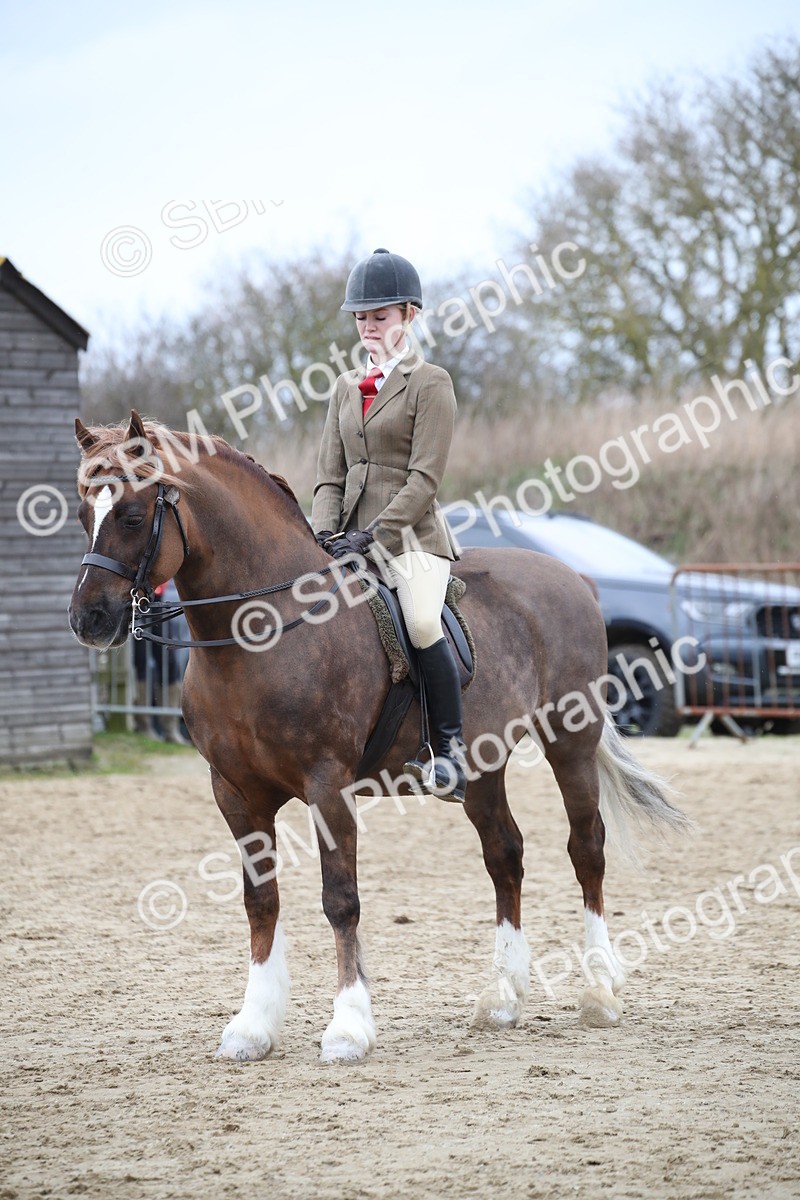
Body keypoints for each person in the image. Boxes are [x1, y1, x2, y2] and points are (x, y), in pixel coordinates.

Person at [311, 248, 467, 802]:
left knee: (422, 623)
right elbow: (328, 475)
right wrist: (323, 535)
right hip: (346, 540)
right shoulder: (344, 387)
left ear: (409, 314)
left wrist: (372, 536)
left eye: (380, 316)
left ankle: (449, 752)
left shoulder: (431, 383)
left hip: (410, 539)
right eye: (361, 317)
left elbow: (424, 480)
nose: (368, 326)